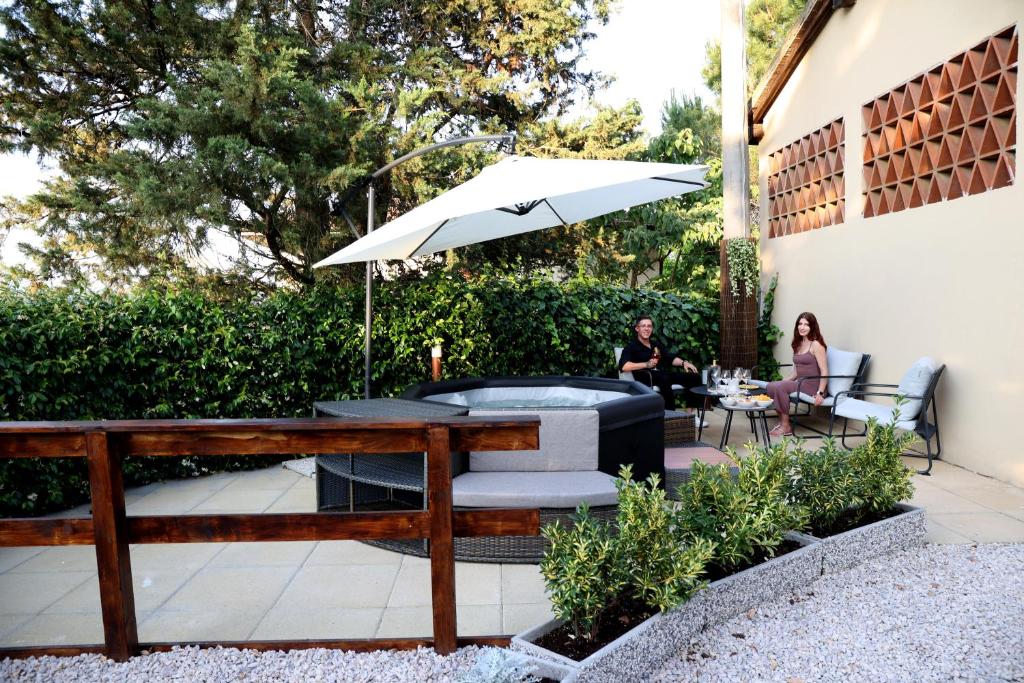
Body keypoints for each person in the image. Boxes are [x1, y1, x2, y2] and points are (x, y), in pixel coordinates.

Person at [618, 315, 702, 411]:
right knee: (664, 378)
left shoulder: (655, 344)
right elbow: (624, 366)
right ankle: (670, 413)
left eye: (649, 326)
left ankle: (690, 413)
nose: (646, 329)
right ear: (637, 328)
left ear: (652, 329)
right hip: (646, 377)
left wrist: (684, 363)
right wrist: (646, 364)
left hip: (662, 375)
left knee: (694, 377)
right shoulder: (631, 347)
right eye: (643, 326)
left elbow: (669, 358)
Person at [767, 312, 830, 437]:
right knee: (771, 386)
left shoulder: (816, 344)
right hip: (801, 383)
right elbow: (796, 372)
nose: (802, 327)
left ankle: (786, 427)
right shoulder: (798, 344)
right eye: (800, 324)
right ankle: (782, 422)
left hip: (814, 386)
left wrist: (820, 393)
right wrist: (783, 382)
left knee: (780, 387)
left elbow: (824, 371)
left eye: (806, 324)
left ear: (812, 327)